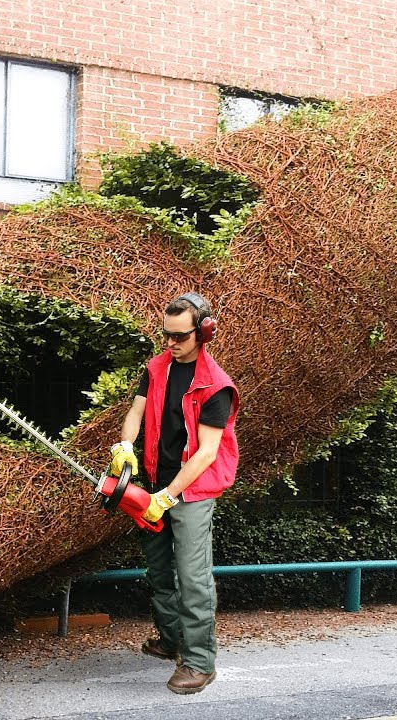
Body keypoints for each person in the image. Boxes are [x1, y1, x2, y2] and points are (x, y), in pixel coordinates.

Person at [108, 292, 240, 695]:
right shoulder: (157, 367)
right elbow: (135, 412)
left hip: (192, 491)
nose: (171, 343)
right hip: (155, 480)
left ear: (203, 333)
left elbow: (206, 453)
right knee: (160, 570)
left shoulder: (215, 386)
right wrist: (126, 445)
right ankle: (171, 641)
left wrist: (169, 495)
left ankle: (200, 662)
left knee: (193, 577)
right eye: (166, 334)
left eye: (180, 337)